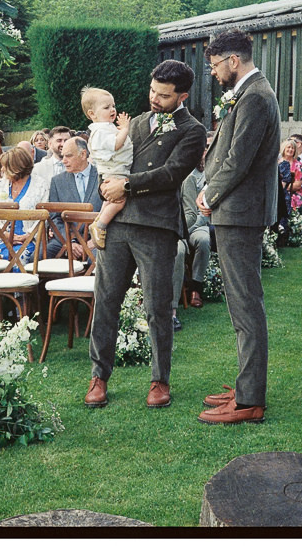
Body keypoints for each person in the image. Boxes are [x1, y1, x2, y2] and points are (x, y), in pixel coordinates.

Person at [85, 59, 206, 412]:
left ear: (182, 95)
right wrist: (108, 187)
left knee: (157, 307)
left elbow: (171, 174)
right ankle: (98, 376)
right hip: (119, 225)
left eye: (164, 95)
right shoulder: (135, 122)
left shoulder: (193, 130)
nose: (154, 98)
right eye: (152, 90)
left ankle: (159, 380)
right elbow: (107, 159)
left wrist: (127, 186)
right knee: (106, 301)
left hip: (156, 226)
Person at [193, 29, 280, 426]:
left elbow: (239, 159)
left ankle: (249, 401)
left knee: (246, 304)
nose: (212, 73)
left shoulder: (256, 97)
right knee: (240, 302)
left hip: (240, 212)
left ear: (233, 60)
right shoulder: (249, 93)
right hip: (236, 211)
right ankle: (246, 385)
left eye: (214, 65)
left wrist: (209, 194)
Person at [78, 87, 133, 248]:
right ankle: (100, 225)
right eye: (106, 107)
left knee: (109, 201)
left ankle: (98, 220)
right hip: (115, 171)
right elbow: (116, 144)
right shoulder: (100, 131)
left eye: (113, 106)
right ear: (92, 114)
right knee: (119, 201)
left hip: (115, 170)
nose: (112, 110)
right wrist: (125, 129)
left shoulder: (106, 127)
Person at [173, 131, 215, 315]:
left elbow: (198, 211)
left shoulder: (208, 172)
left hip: (198, 223)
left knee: (203, 240)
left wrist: (186, 228)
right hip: (182, 226)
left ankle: (196, 286)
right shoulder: (188, 174)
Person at [0, 145, 49, 262]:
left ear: (16, 168)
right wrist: (3, 234)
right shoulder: (0, 185)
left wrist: (28, 235)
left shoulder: (41, 185)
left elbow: (45, 216)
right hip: (2, 238)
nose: (2, 170)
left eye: (5, 166)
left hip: (29, 239)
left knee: (20, 258)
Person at [45, 136, 101, 258]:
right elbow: (54, 219)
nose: (63, 160)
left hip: (98, 240)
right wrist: (70, 241)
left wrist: (95, 241)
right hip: (65, 238)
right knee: (37, 258)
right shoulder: (57, 181)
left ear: (83, 154)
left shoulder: (102, 177)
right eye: (62, 156)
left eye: (68, 156)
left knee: (97, 262)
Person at [278, 139, 302, 212]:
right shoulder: (276, 163)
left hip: (292, 192)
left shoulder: (298, 164)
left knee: (292, 200)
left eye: (292, 148)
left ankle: (292, 221)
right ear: (284, 149)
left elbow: (298, 184)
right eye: (288, 147)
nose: (290, 149)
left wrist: (284, 189)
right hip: (277, 191)